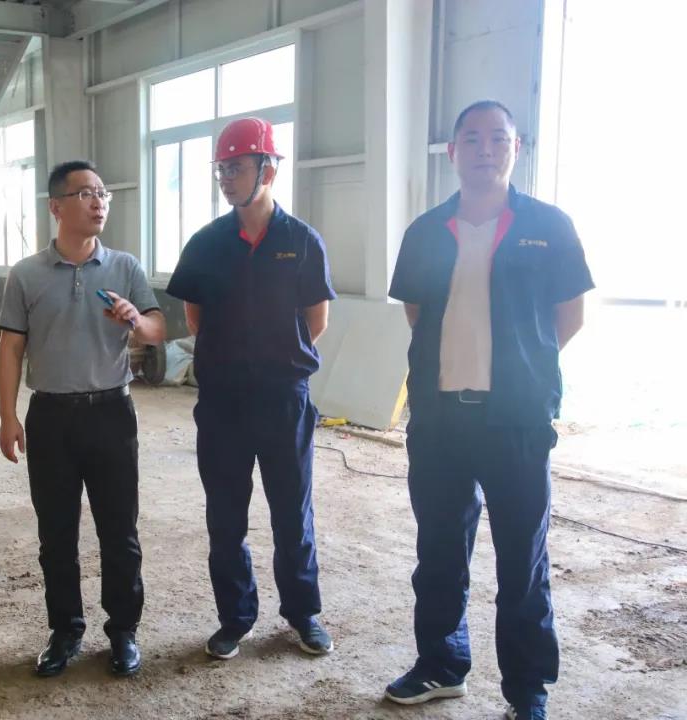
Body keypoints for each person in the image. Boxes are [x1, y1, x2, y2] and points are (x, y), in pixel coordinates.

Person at [383, 100, 594, 720]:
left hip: (517, 423)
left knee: (522, 560)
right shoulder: (426, 231)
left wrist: (521, 369)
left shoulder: (549, 226)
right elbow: (418, 314)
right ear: (452, 152)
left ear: (515, 148)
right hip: (441, 420)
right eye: (471, 139)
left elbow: (568, 317)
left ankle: (527, 690)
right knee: (439, 552)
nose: (484, 149)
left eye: (497, 138)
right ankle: (441, 666)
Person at [165, 117, 336, 660]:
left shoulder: (301, 241)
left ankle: (303, 614)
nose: (226, 178)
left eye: (236, 167)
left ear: (269, 169)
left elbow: (316, 320)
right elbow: (195, 318)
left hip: (284, 399)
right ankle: (235, 618)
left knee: (292, 512)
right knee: (226, 515)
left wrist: (274, 359)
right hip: (223, 403)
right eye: (221, 169)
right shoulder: (207, 244)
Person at [0, 160, 166, 677]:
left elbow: (157, 329)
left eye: (102, 193)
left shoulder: (125, 267)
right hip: (50, 417)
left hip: (111, 413)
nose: (98, 202)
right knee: (56, 534)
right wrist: (7, 416)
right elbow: (10, 349)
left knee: (120, 531)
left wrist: (135, 319)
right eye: (86, 193)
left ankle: (124, 631)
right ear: (56, 206)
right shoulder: (26, 274)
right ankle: (65, 630)